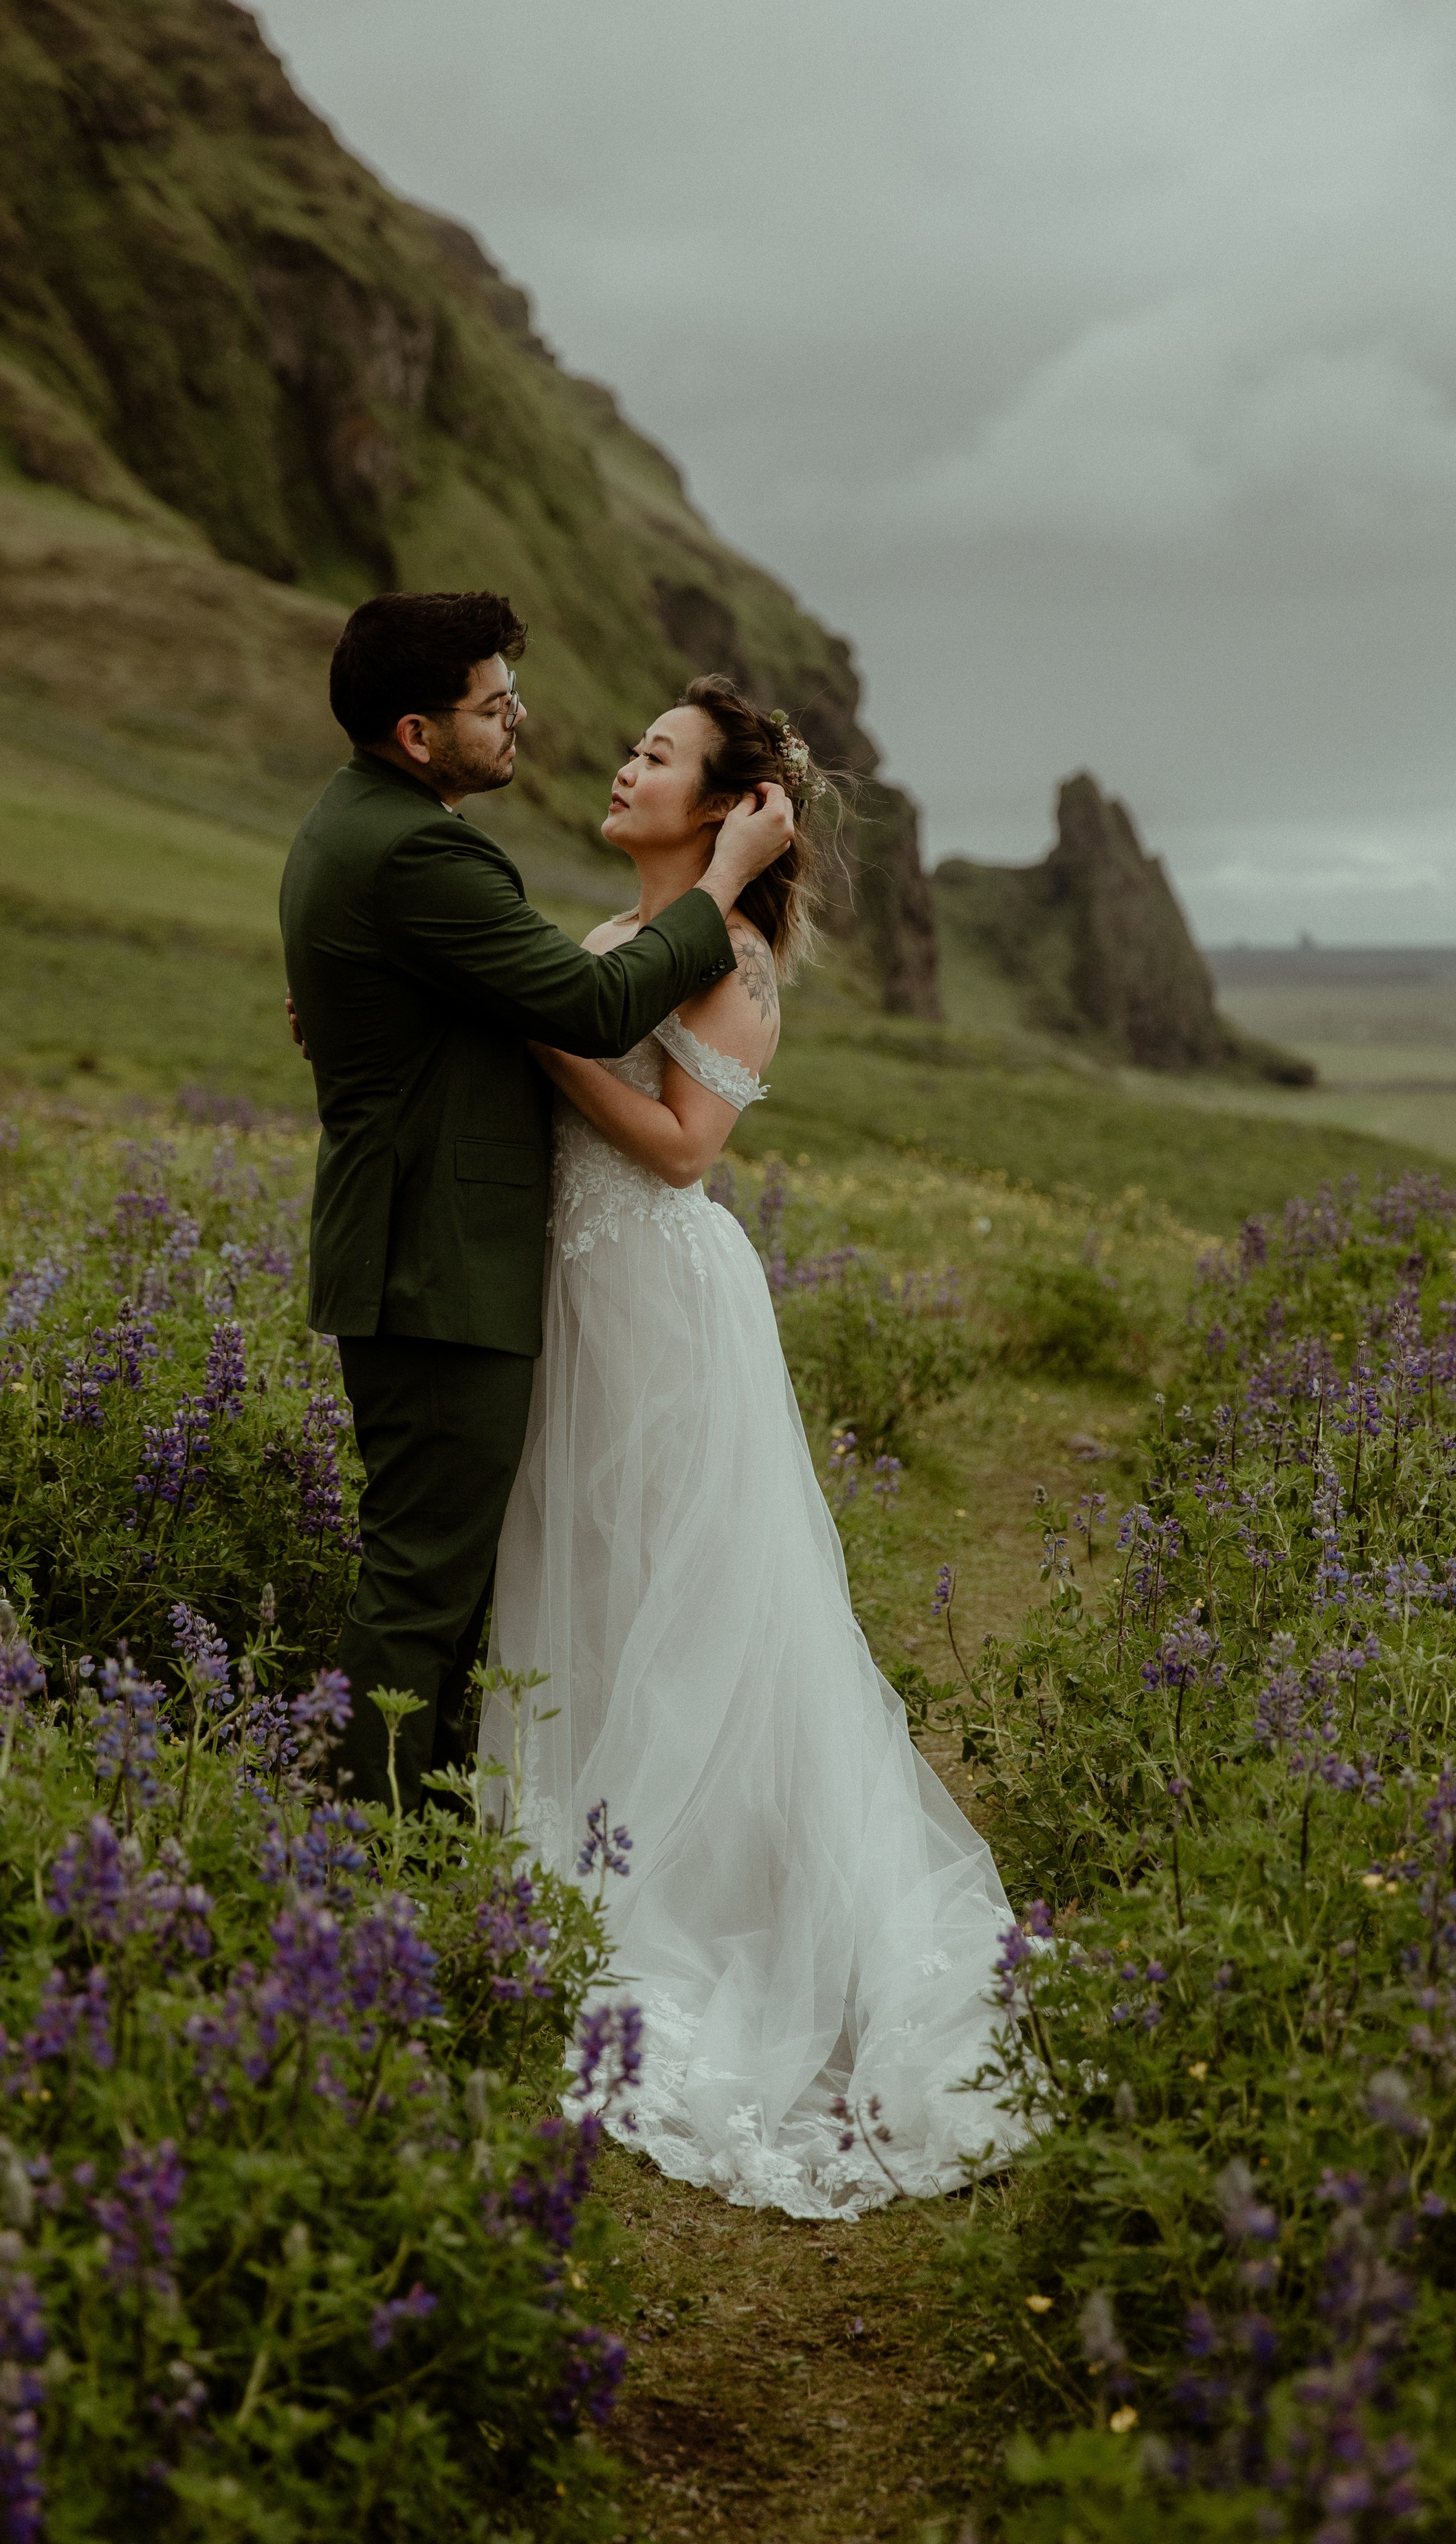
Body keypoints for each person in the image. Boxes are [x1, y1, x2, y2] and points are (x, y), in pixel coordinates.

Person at [481, 676, 1017, 2219]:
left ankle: (726, 1906)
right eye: (632, 739)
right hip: (581, 1283)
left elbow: (679, 1146)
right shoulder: (616, 935)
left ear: (717, 807)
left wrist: (537, 1037)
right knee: (588, 1570)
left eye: (654, 752)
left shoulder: (735, 956)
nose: (620, 759)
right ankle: (589, 1865)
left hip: (655, 1293)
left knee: (682, 1590)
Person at [279, 593, 795, 1814]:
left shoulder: (369, 829)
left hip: (499, 1268)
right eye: (493, 704)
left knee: (488, 1583)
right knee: (425, 1587)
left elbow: (611, 1077)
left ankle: (421, 1834)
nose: (524, 720)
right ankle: (350, 1862)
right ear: (418, 733)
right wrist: (723, 879)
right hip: (438, 1267)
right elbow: (594, 1009)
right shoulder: (421, 851)